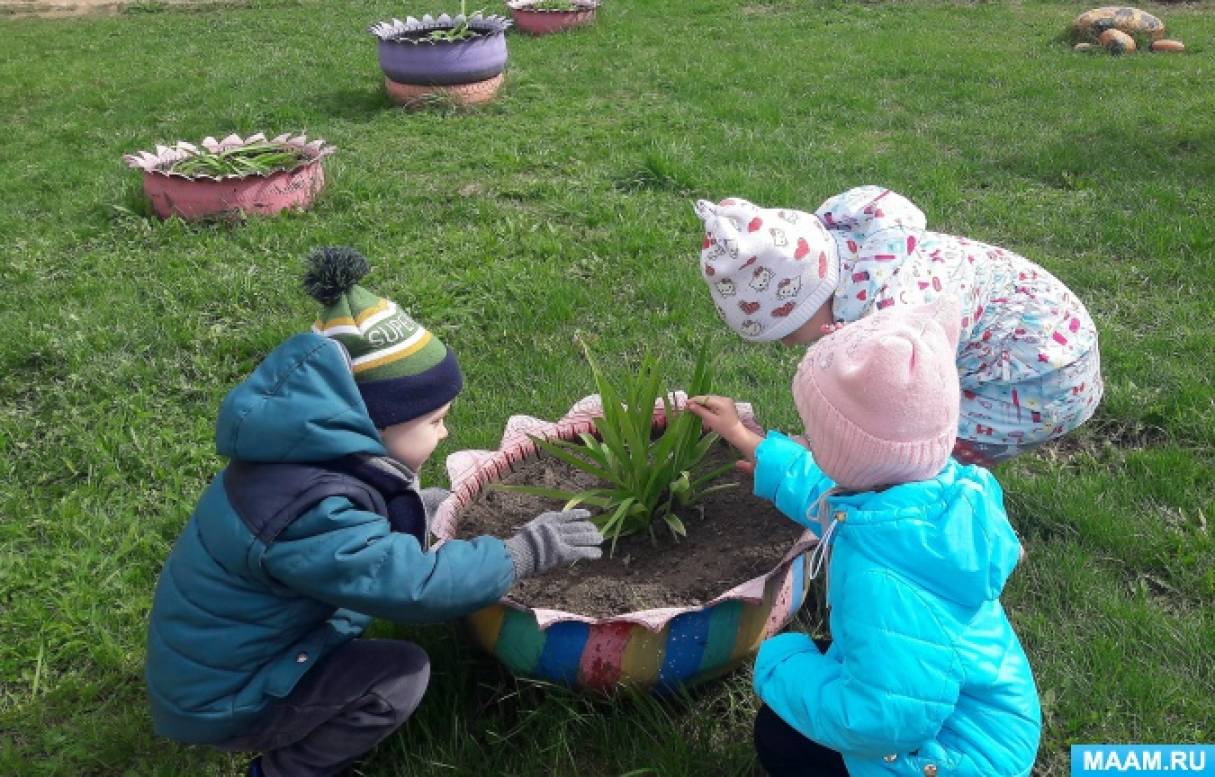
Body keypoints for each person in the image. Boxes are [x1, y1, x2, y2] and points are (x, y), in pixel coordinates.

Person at [144, 247, 602, 777]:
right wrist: (527, 550)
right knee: (399, 676)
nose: (446, 432)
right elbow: (415, 588)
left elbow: (363, 525)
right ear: (375, 427)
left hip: (219, 661)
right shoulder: (309, 512)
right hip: (229, 697)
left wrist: (427, 512)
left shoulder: (297, 463)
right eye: (435, 420)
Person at [687, 298, 1041, 777]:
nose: (805, 441)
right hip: (982, 717)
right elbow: (828, 491)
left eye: (814, 434)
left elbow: (883, 723)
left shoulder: (883, 583)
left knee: (779, 737)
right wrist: (750, 443)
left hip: (956, 759)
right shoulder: (926, 500)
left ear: (846, 456)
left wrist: (781, 664)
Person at [693, 185, 1102, 464]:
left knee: (914, 454)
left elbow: (881, 435)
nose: (786, 347)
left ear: (816, 298)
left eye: (786, 332)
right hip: (1046, 333)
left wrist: (789, 456)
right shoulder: (858, 253)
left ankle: (964, 529)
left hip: (1040, 381)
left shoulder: (890, 320)